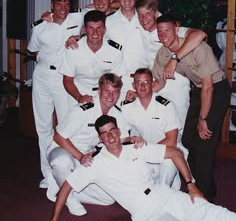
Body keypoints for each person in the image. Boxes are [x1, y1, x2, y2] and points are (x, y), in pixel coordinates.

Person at [50, 115, 236, 221]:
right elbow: (66, 187)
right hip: (147, 213)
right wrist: (54, 219)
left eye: (112, 130)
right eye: (104, 134)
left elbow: (174, 153)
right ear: (100, 139)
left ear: (118, 132)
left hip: (165, 195)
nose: (110, 136)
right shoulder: (93, 164)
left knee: (215, 213)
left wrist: (190, 184)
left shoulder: (136, 147)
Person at [152, 14, 231, 202]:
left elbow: (209, 86)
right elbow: (159, 83)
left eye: (167, 30)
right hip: (198, 91)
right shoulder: (162, 53)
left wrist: (203, 119)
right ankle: (197, 186)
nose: (163, 35)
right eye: (160, 31)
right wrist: (139, 91)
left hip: (216, 90)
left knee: (203, 144)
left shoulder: (198, 48)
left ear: (176, 29)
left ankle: (205, 200)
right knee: (187, 141)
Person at [46, 73, 144, 216]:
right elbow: (59, 136)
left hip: (88, 155)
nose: (111, 96)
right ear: (99, 91)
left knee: (108, 199)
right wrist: (80, 157)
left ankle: (60, 186)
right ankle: (69, 197)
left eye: (115, 92)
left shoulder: (118, 114)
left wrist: (134, 139)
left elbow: (121, 140)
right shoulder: (85, 109)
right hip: (64, 149)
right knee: (62, 161)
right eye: (107, 91)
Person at [27, 0, 84, 189]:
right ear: (52, 5)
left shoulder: (77, 18)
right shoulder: (40, 26)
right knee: (43, 128)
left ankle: (68, 168)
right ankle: (48, 173)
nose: (63, 7)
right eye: (59, 3)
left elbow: (101, 8)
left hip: (64, 79)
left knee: (66, 125)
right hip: (43, 77)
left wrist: (80, 37)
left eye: (67, 2)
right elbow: (33, 51)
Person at [130, 0, 207, 128]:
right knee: (154, 127)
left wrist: (175, 58)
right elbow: (124, 7)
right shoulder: (140, 27)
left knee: (178, 128)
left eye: (147, 14)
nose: (143, 19)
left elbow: (200, 35)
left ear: (156, 13)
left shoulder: (168, 27)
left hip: (175, 85)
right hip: (154, 84)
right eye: (140, 15)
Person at [122, 68, 188, 190]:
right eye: (138, 82)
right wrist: (131, 139)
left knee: (167, 166)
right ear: (133, 85)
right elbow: (122, 136)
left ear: (152, 84)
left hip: (169, 151)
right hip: (146, 151)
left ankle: (166, 188)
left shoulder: (165, 106)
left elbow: (171, 141)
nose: (142, 86)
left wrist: (149, 151)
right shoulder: (128, 107)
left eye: (146, 82)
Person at [59, 10, 126, 107]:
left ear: (104, 30)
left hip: (104, 95)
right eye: (91, 28)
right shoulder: (73, 49)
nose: (95, 33)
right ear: (84, 29)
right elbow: (67, 80)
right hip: (76, 94)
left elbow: (116, 80)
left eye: (99, 28)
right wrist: (79, 97)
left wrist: (106, 98)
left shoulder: (115, 51)